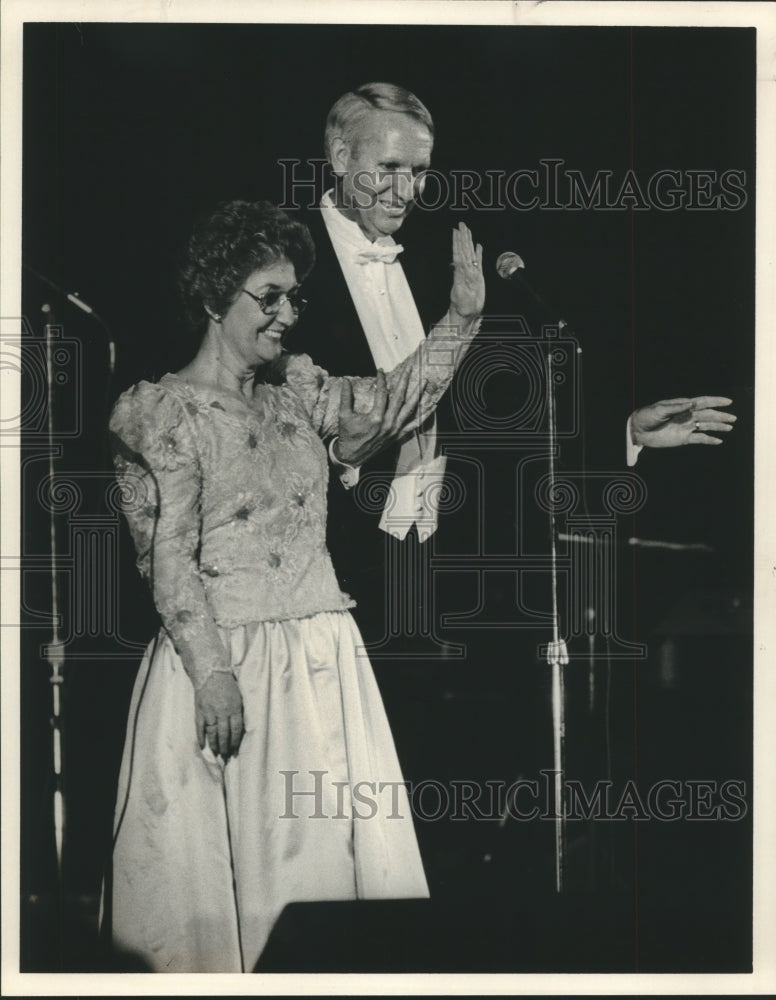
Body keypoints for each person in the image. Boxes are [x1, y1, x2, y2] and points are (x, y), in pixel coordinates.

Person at [106, 200, 484, 972]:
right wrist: (212, 674)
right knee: (237, 885)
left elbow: (392, 402)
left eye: (294, 297)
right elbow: (166, 557)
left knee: (325, 877)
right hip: (225, 664)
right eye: (267, 296)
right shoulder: (163, 412)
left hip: (322, 658)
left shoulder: (296, 392)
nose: (286, 314)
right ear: (214, 298)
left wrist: (460, 318)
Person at [283, 81, 737, 651]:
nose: (407, 190)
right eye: (390, 166)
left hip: (446, 578)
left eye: (420, 170)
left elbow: (504, 424)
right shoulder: (284, 264)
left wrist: (625, 434)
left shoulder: (441, 262)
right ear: (342, 157)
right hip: (327, 574)